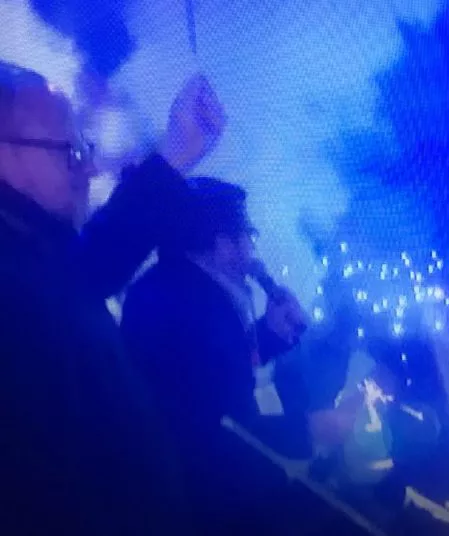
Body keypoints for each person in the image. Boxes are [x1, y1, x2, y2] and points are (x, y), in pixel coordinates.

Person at [0, 61, 226, 534]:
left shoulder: (29, 252)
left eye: (85, 149)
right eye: (70, 152)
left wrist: (175, 152)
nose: (89, 168)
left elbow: (80, 274)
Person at [120, 177, 364, 535]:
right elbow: (221, 422)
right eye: (247, 236)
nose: (252, 250)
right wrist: (309, 428)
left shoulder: (172, 287)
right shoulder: (196, 304)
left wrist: (269, 335)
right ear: (223, 244)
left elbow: (211, 371)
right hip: (209, 502)